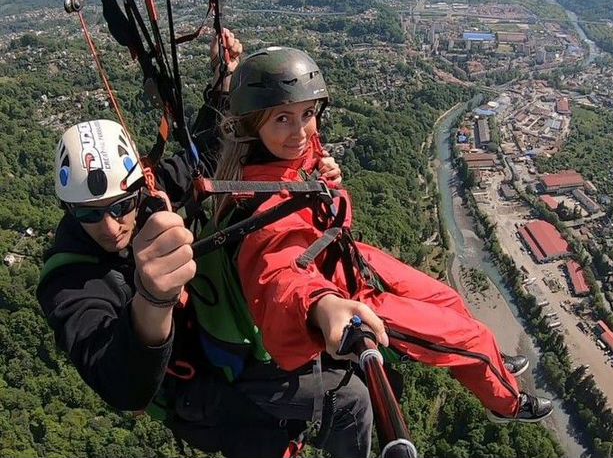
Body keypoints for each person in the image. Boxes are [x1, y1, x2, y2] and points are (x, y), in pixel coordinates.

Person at [37, 35, 373, 458]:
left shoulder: (150, 195)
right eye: (87, 213)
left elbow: (206, 153)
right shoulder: (69, 278)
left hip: (223, 335)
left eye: (122, 205)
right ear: (69, 210)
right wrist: (152, 298)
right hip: (200, 391)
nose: (109, 225)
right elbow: (121, 385)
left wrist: (226, 83)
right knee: (344, 405)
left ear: (138, 187)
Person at [210, 46, 553, 425]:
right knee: (469, 340)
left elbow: (319, 187)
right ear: (252, 124)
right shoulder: (265, 208)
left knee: (449, 297)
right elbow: (279, 272)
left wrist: (327, 182)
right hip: (343, 291)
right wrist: (320, 305)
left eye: (308, 114)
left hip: (346, 259)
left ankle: (488, 354)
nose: (301, 132)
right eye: (282, 119)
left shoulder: (279, 156)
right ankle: (507, 403)